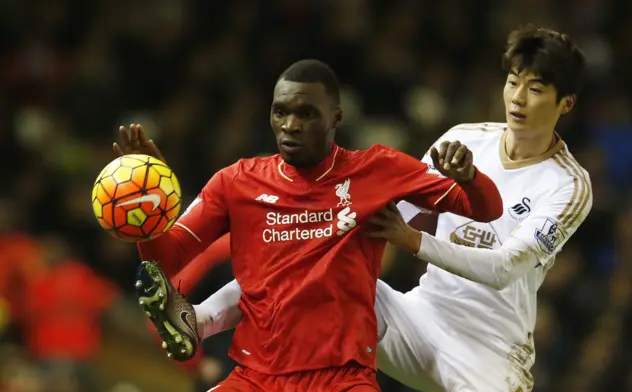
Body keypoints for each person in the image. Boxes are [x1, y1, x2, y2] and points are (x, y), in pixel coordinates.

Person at [188, 25, 592, 391]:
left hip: (490, 350)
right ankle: (199, 320)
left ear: (566, 104)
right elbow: (397, 214)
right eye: (512, 82)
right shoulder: (464, 140)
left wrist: (413, 241)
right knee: (309, 252)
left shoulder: (569, 185)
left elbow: (504, 269)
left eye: (536, 89)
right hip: (418, 318)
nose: (518, 98)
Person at [114, 59, 503, 392]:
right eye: (280, 112)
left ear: (336, 118)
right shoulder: (236, 183)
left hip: (342, 377)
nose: (291, 125)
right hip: (258, 376)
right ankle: (197, 318)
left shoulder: (378, 170)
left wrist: (470, 178)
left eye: (306, 114)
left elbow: (484, 208)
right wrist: (147, 211)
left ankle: (198, 319)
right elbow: (166, 259)